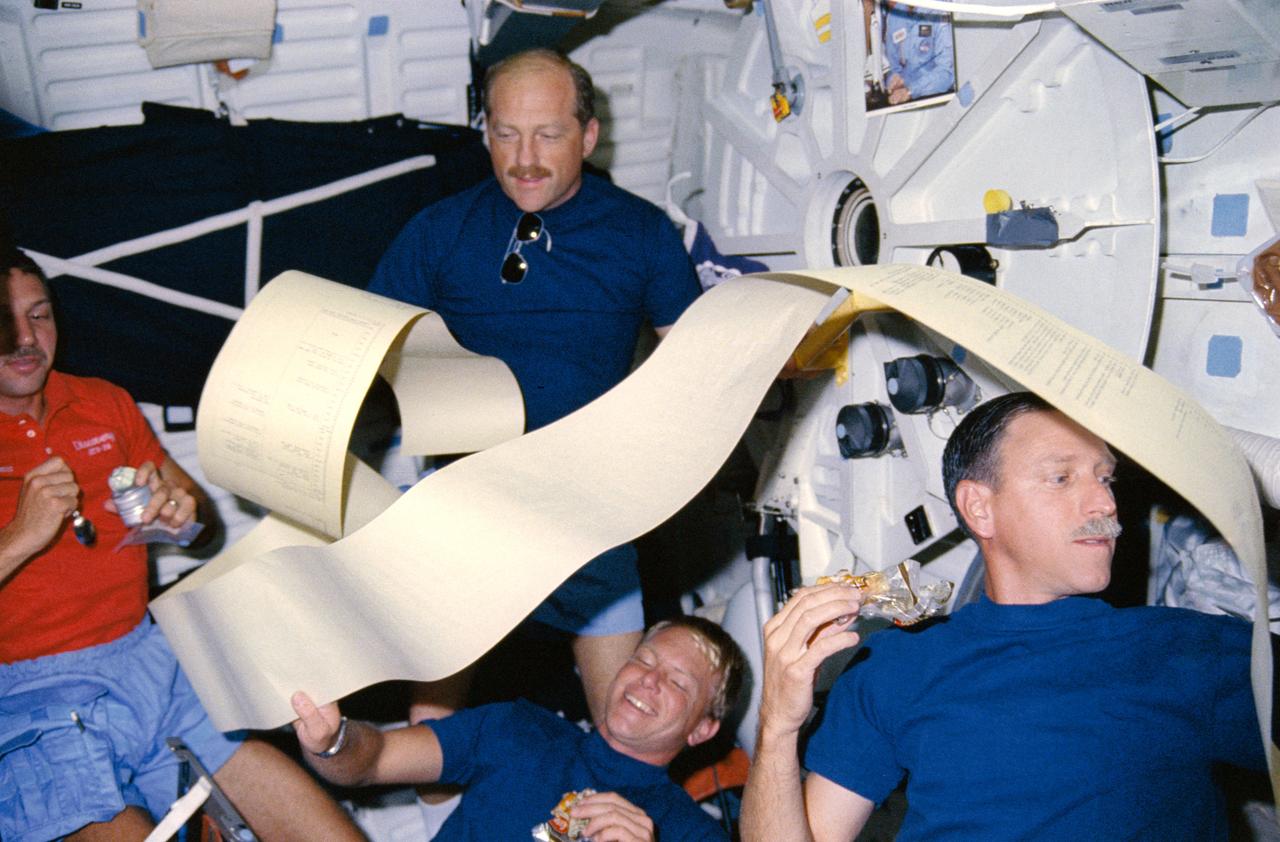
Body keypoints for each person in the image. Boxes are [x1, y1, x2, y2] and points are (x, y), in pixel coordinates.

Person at [741, 391, 1266, 841]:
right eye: (1062, 478)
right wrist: (778, 724)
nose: (1104, 503)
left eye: (1105, 479)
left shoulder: (1188, 648)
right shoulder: (896, 667)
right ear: (979, 508)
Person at [368, 49, 701, 733]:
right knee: (427, 727)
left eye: (548, 134)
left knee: (626, 730)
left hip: (590, 509)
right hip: (471, 504)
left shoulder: (641, 232)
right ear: (484, 131)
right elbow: (362, 354)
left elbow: (691, 368)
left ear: (587, 136)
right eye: (505, 133)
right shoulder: (437, 231)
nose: (524, 157)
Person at [0, 249, 363, 842]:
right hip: (29, 702)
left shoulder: (103, 403)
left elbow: (202, 529)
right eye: (4, 321)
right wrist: (19, 536)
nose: (25, 337)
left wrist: (183, 517)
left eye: (40, 315)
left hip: (152, 668)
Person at [291, 616, 745, 841]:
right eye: (644, 660)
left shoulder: (688, 832)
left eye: (678, 683)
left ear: (702, 729)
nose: (649, 679)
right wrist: (333, 742)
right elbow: (372, 761)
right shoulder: (519, 729)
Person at [880, 1, 955, 106]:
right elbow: (893, 66)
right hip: (903, 97)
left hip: (936, 97)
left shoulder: (940, 11)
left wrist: (911, 91)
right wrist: (893, 79)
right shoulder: (896, 14)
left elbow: (947, 73)